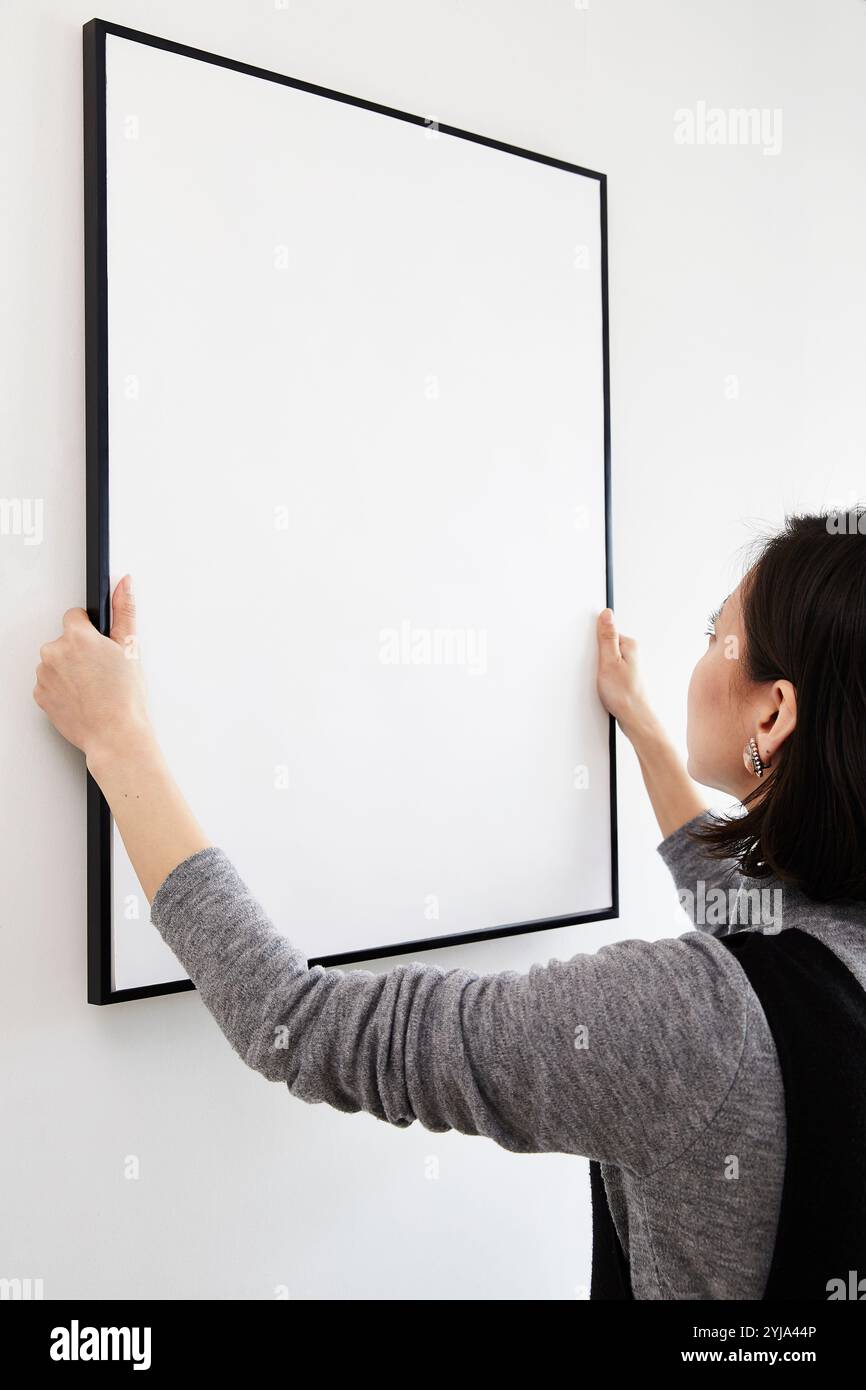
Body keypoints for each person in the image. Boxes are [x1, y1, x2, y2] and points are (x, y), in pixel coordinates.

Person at [33, 513, 866, 1299]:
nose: (700, 656)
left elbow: (293, 1018)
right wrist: (646, 730)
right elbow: (762, 937)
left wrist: (118, 737)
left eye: (715, 632)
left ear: (773, 710)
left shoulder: (692, 1025)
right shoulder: (831, 954)